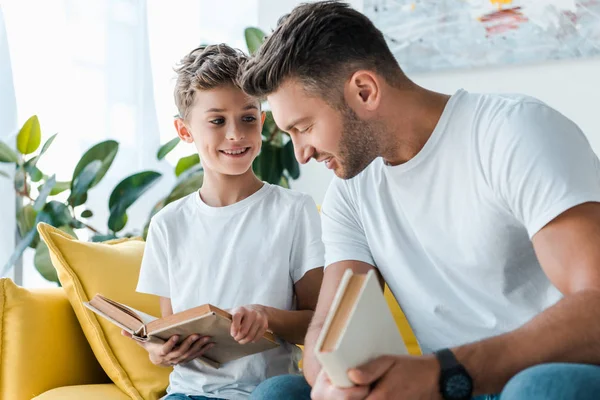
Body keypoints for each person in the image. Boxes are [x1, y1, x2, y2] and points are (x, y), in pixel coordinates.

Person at [240, 2, 600, 399]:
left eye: (304, 127)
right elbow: (328, 326)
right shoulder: (350, 190)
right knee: (278, 393)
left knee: (540, 388)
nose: (301, 154)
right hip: (446, 384)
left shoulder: (512, 132)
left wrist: (444, 373)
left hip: (535, 377)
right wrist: (336, 377)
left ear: (365, 91)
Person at [125, 44, 323, 400]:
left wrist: (267, 317)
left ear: (262, 122)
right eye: (217, 121)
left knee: (279, 393)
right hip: (190, 392)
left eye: (248, 118)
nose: (236, 134)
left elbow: (319, 323)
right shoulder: (168, 224)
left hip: (265, 391)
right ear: (185, 132)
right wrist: (160, 353)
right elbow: (169, 330)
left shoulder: (293, 211)